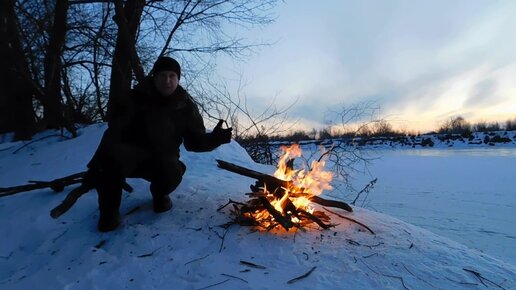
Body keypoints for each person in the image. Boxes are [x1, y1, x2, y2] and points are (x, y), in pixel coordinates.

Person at [83, 56, 232, 232]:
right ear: (154, 77)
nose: (167, 81)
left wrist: (215, 139)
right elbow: (112, 134)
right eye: (162, 75)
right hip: (128, 157)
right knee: (108, 164)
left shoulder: (184, 107)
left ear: (178, 79)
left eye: (172, 76)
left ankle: (160, 196)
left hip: (161, 161)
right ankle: (109, 213)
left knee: (173, 170)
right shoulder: (134, 98)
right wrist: (95, 166)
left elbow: (194, 143)